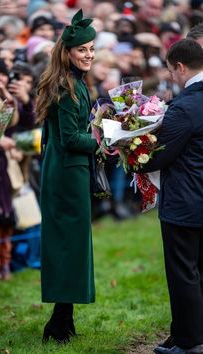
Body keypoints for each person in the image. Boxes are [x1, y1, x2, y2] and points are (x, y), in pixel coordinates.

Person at [137, 39, 203, 354]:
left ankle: (189, 342)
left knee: (183, 274)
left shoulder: (187, 105)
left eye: (171, 69)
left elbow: (159, 156)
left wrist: (132, 152)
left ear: (179, 66)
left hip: (187, 202)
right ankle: (187, 335)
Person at [36, 9, 97, 344]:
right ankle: (58, 325)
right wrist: (104, 141)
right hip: (65, 178)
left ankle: (63, 320)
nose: (88, 54)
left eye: (91, 49)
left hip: (68, 174)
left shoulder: (74, 82)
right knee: (67, 247)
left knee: (71, 248)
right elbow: (70, 139)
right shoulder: (64, 86)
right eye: (82, 50)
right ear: (67, 52)